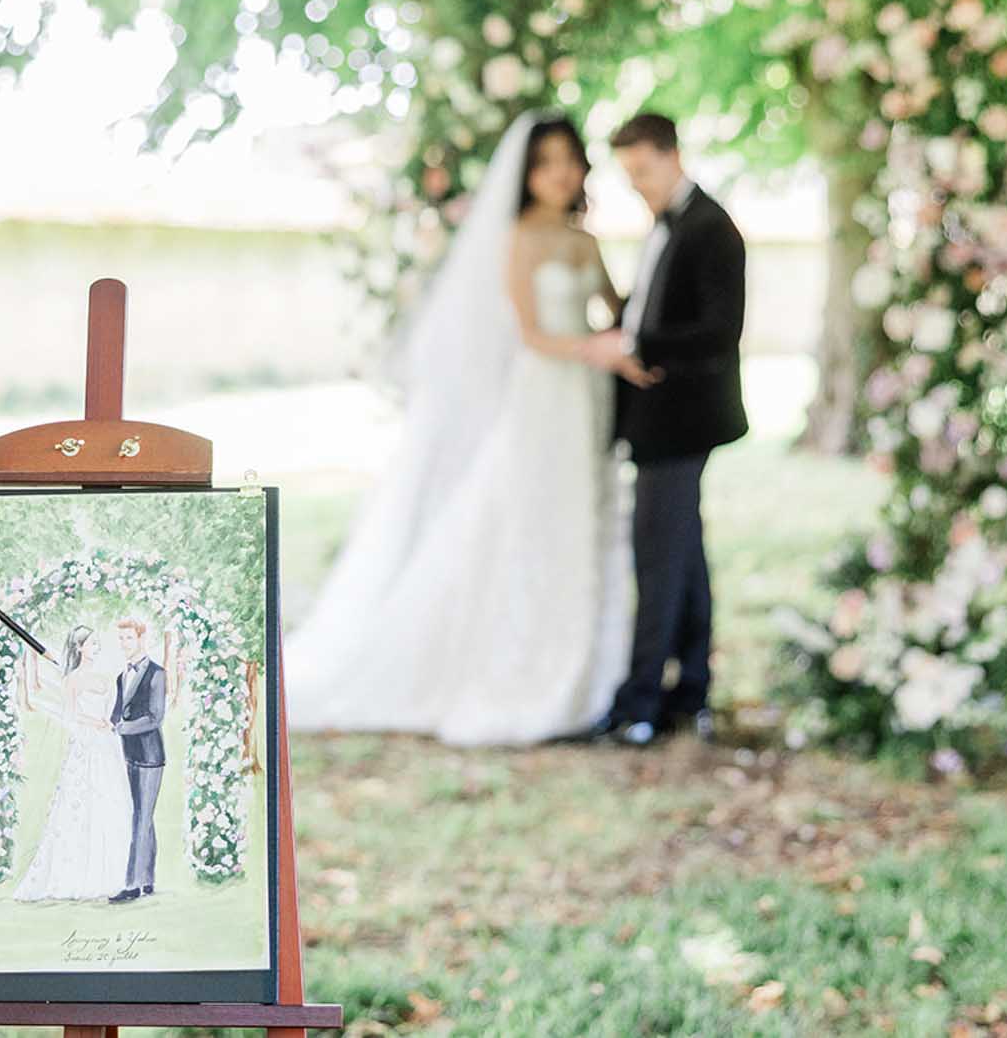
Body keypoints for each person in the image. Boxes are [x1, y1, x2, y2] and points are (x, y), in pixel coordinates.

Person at [285, 111, 654, 746]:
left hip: (587, 400)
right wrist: (594, 350)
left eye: (569, 160)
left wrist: (626, 338)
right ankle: (513, 667)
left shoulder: (584, 240)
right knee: (526, 521)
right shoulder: (515, 239)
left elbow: (620, 312)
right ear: (527, 174)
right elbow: (533, 334)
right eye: (546, 163)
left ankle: (585, 669)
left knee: (580, 517)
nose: (560, 173)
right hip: (542, 395)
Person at [582, 111, 748, 748]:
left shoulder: (711, 228)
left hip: (683, 418)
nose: (637, 185)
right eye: (629, 175)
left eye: (643, 171)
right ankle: (692, 688)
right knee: (682, 556)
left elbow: (717, 330)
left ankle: (641, 701)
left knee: (656, 556)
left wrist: (635, 343)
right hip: (658, 418)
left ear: (673, 156)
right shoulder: (666, 226)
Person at [11, 626, 135, 902]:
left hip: (107, 743)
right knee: (83, 803)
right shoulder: (71, 680)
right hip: (87, 742)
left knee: (111, 801)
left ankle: (113, 875)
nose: (96, 648)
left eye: (97, 644)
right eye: (91, 644)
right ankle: (78, 876)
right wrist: (95, 723)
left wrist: (108, 723)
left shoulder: (102, 677)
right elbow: (70, 715)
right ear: (79, 648)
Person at [108, 616, 167, 902]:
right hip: (128, 754)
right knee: (145, 817)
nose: (123, 643)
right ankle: (148, 879)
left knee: (141, 818)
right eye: (120, 638)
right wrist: (109, 723)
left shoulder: (157, 673)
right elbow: (117, 712)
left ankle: (132, 885)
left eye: (128, 638)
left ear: (141, 638)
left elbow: (155, 717)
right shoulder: (121, 676)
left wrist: (123, 728)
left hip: (150, 756)